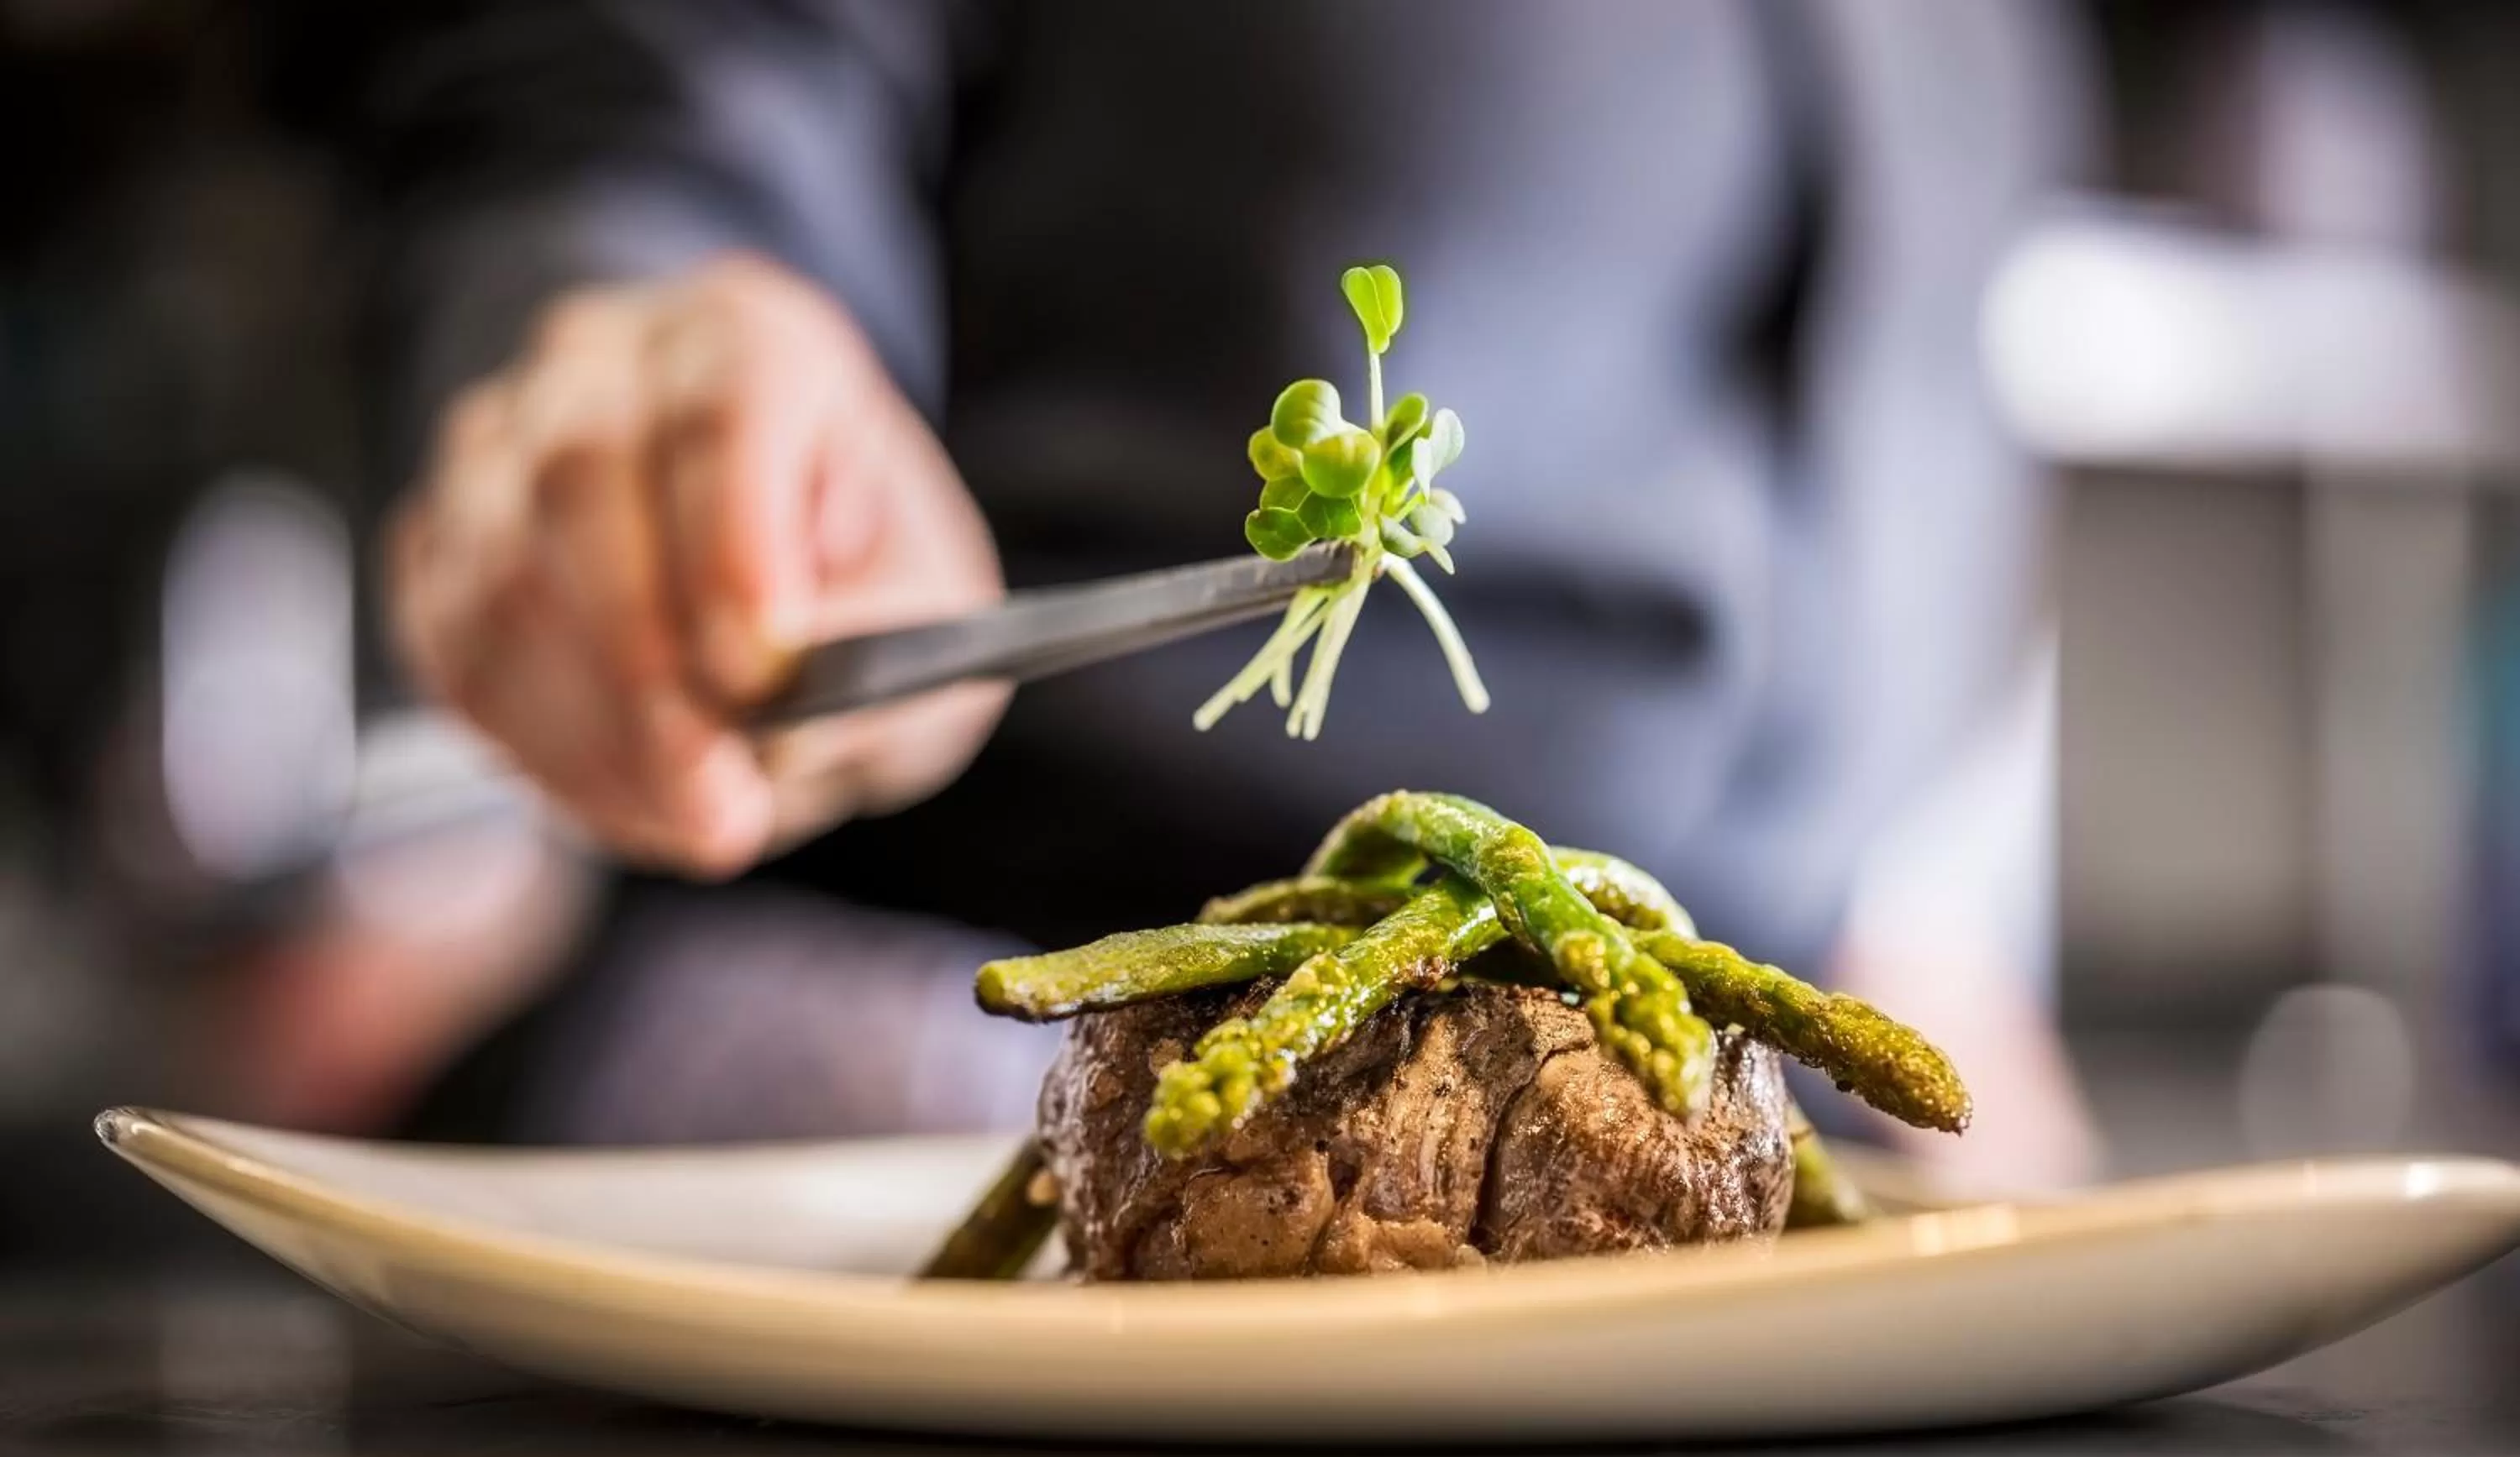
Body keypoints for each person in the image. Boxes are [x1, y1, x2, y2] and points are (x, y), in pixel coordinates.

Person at [302, 0, 2101, 1182]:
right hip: (942, 1051)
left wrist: (1908, 987)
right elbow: (649, 93)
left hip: (1735, 1082)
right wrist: (644, 331)